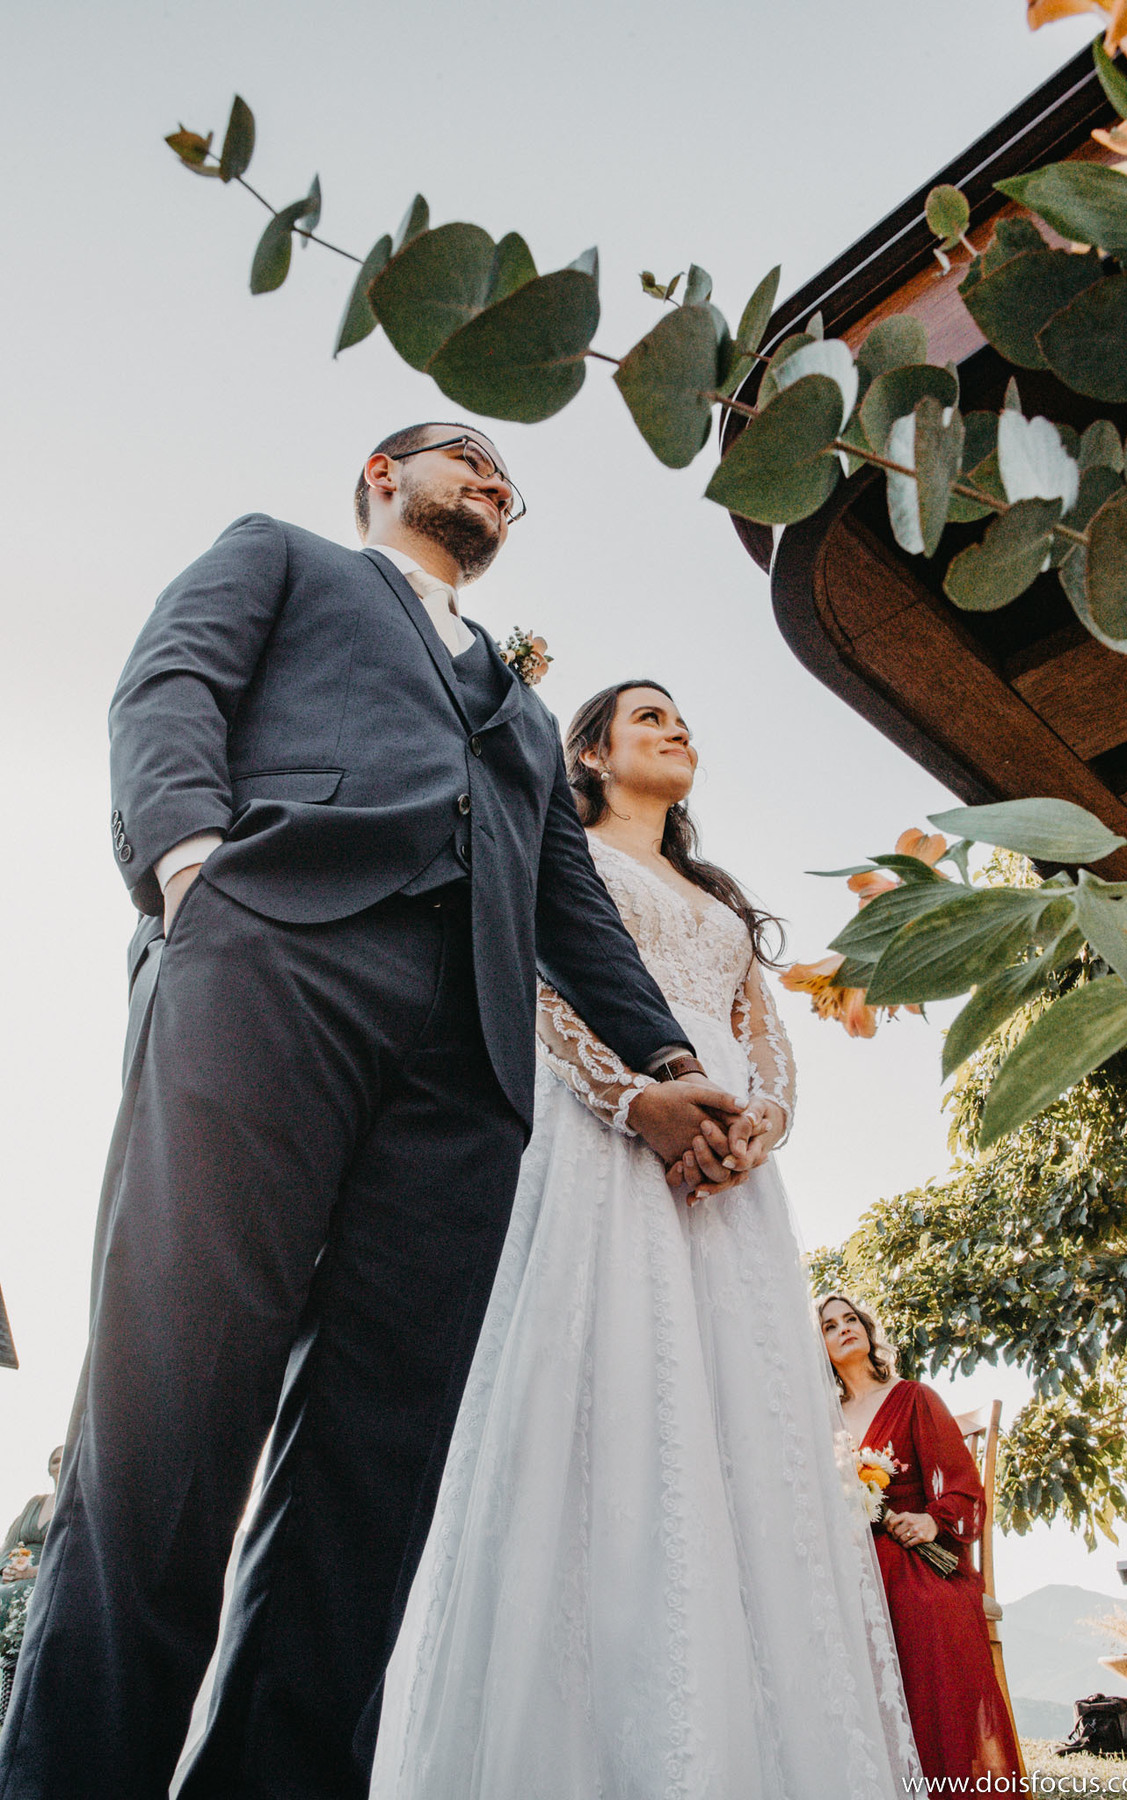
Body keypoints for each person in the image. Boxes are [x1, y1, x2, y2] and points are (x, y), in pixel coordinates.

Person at [0, 430, 755, 1800]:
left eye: (507, 477)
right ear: (377, 472)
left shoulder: (528, 721)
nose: (491, 480)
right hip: (269, 966)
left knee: (373, 1470)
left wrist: (657, 1053)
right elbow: (167, 686)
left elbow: (565, 910)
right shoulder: (277, 560)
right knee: (171, 1406)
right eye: (461, 456)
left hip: (462, 1071)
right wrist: (190, 873)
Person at [368, 681, 921, 1800]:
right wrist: (638, 1104)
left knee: (748, 1425)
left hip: (733, 1181)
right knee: (611, 1392)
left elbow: (763, 1036)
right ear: (593, 752)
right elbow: (535, 985)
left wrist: (757, 1123)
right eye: (648, 717)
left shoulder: (714, 894)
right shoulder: (559, 855)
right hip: (600, 1146)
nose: (676, 730)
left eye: (683, 719)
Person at [819, 1294, 1024, 1794]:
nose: (844, 1328)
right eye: (829, 1326)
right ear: (818, 1349)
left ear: (867, 1330)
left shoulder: (914, 1396)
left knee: (921, 1605)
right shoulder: (820, 1421)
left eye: (851, 1319)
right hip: (848, 1555)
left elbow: (962, 1488)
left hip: (914, 1554)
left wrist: (932, 1522)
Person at [0, 1450, 62, 1727]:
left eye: (66, 1456)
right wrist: (7, 1569)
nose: (61, 1463)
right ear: (49, 1469)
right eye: (55, 1460)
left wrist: (32, 1572)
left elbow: (68, 1554)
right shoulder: (35, 1503)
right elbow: (9, 1545)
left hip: (46, 1577)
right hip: (14, 1574)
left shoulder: (76, 1504)